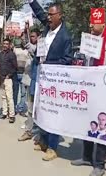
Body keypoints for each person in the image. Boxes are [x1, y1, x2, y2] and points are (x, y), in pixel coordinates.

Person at [29, 0, 73, 161]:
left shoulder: (65, 37)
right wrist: (32, 2)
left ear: (60, 16)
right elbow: (40, 14)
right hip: (41, 78)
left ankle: (53, 147)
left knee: (54, 113)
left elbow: (67, 60)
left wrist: (49, 65)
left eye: (51, 14)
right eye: (48, 14)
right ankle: (43, 140)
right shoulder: (47, 27)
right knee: (41, 110)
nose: (48, 17)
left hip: (55, 82)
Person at [71, 18, 106, 176]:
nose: (90, 25)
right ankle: (86, 157)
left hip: (105, 92)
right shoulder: (89, 41)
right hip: (90, 90)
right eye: (89, 22)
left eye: (93, 22)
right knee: (88, 125)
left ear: (102, 24)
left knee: (103, 127)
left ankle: (99, 165)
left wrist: (100, 73)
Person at [0, 38, 17, 123]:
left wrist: (9, 75)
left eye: (6, 44)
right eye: (4, 43)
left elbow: (15, 67)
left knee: (9, 97)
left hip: (8, 79)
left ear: (9, 45)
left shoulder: (12, 55)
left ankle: (11, 115)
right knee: (3, 97)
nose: (5, 45)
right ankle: (4, 113)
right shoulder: (0, 54)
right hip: (1, 78)